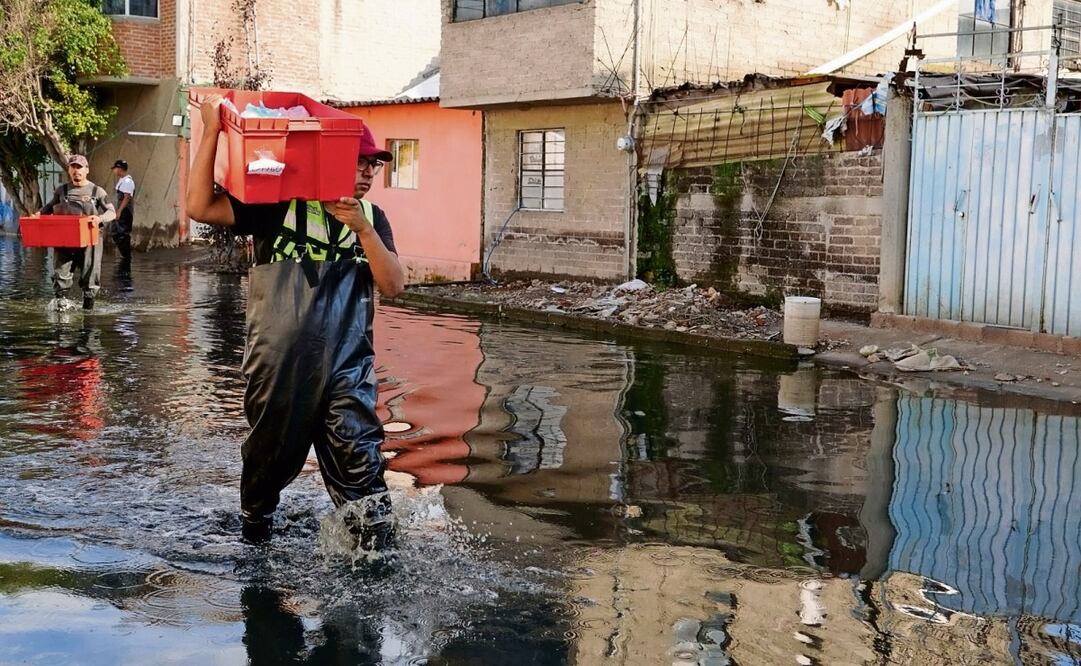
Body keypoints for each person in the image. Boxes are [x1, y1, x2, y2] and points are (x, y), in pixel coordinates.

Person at [186, 94, 406, 547]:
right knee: (269, 461)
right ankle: (255, 533)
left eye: (375, 166)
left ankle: (376, 560)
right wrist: (211, 129)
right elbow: (200, 208)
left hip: (348, 368)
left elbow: (394, 285)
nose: (368, 173)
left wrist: (363, 230)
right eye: (360, 162)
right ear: (331, 159)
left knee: (362, 467)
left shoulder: (372, 219)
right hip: (280, 364)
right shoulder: (278, 205)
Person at [38, 155, 115, 310]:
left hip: (90, 241)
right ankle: (61, 312)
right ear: (69, 170)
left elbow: (112, 212)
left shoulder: (97, 191)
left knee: (90, 277)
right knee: (61, 275)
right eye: (73, 167)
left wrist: (99, 218)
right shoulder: (62, 190)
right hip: (64, 240)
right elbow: (47, 208)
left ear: (86, 170)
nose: (76, 171)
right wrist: (36, 216)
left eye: (79, 167)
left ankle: (88, 311)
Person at [111, 159, 135, 264]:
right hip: (121, 209)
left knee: (122, 234)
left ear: (120, 168)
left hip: (125, 211)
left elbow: (126, 197)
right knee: (116, 232)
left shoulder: (127, 181)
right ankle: (124, 255)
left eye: (115, 168)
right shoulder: (122, 180)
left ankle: (126, 256)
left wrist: (119, 211)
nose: (114, 171)